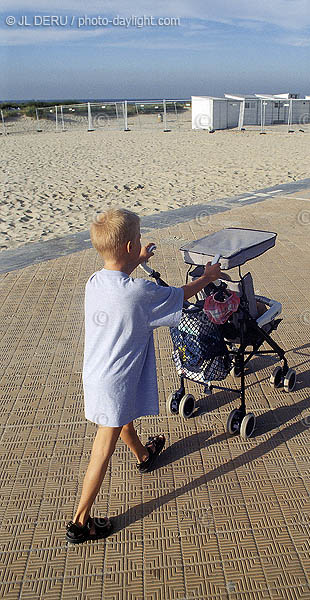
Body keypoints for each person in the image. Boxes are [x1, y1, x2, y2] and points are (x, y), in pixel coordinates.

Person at [66, 207, 221, 543]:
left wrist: (138, 258)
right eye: (136, 242)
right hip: (116, 381)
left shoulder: (95, 282)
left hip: (95, 373)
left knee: (123, 419)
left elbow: (119, 275)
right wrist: (207, 278)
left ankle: (144, 455)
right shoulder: (139, 292)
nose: (139, 245)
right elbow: (179, 294)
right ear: (127, 247)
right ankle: (80, 521)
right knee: (103, 446)